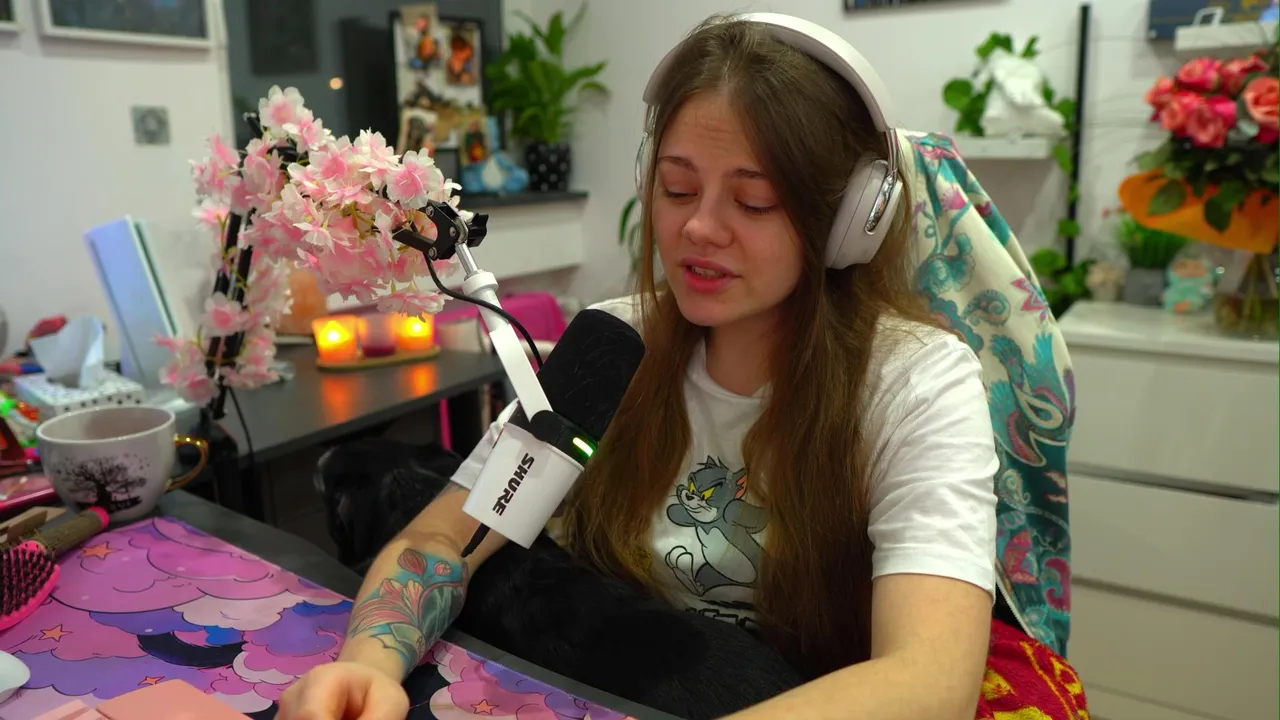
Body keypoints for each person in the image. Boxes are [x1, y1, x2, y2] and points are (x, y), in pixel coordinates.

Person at [279, 13, 997, 720]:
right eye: (678, 189)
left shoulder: (917, 383)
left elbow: (930, 680)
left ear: (849, 221)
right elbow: (445, 538)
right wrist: (367, 667)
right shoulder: (611, 347)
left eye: (754, 201)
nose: (698, 228)